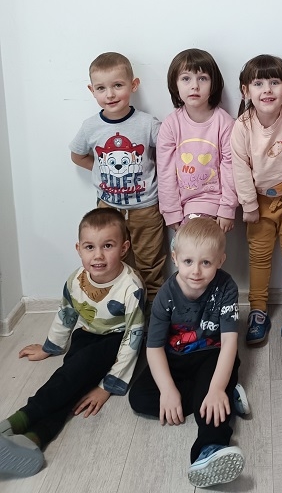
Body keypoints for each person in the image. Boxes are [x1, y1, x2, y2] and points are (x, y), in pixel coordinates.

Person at [0, 209, 144, 477]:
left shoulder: (131, 286)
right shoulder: (76, 280)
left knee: (70, 375)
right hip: (87, 335)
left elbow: (134, 337)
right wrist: (49, 347)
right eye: (90, 247)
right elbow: (66, 314)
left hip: (116, 341)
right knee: (72, 384)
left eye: (108, 246)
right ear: (79, 249)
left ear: (124, 248)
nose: (98, 255)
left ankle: (17, 420)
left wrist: (107, 386)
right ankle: (34, 439)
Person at [129, 219, 244, 488]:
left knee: (212, 399)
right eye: (188, 261)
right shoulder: (165, 295)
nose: (196, 271)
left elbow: (229, 342)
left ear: (220, 260)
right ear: (175, 258)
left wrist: (217, 388)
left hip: (211, 354)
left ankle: (209, 449)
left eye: (206, 262)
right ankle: (229, 393)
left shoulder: (226, 288)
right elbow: (154, 348)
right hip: (175, 357)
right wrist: (168, 390)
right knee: (140, 398)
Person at [231, 55, 282, 345]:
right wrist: (249, 205)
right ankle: (258, 310)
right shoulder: (242, 126)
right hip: (258, 204)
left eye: (274, 82)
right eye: (258, 83)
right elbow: (240, 168)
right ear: (246, 91)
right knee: (259, 256)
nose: (267, 89)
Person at [70, 52, 165, 303]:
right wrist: (101, 169)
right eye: (101, 88)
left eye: (118, 85)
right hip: (107, 209)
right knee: (108, 261)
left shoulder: (148, 124)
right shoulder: (90, 127)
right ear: (92, 90)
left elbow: (168, 153)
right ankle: (116, 306)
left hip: (146, 208)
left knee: (150, 262)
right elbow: (77, 155)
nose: (110, 94)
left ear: (134, 85)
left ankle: (152, 311)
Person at [157, 49, 237, 242]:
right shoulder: (171, 124)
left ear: (213, 84)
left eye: (202, 78)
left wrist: (227, 208)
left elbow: (231, 167)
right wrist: (171, 211)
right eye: (186, 79)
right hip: (183, 206)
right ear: (175, 84)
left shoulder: (225, 123)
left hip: (214, 204)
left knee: (205, 252)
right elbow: (165, 170)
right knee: (187, 253)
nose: (194, 86)